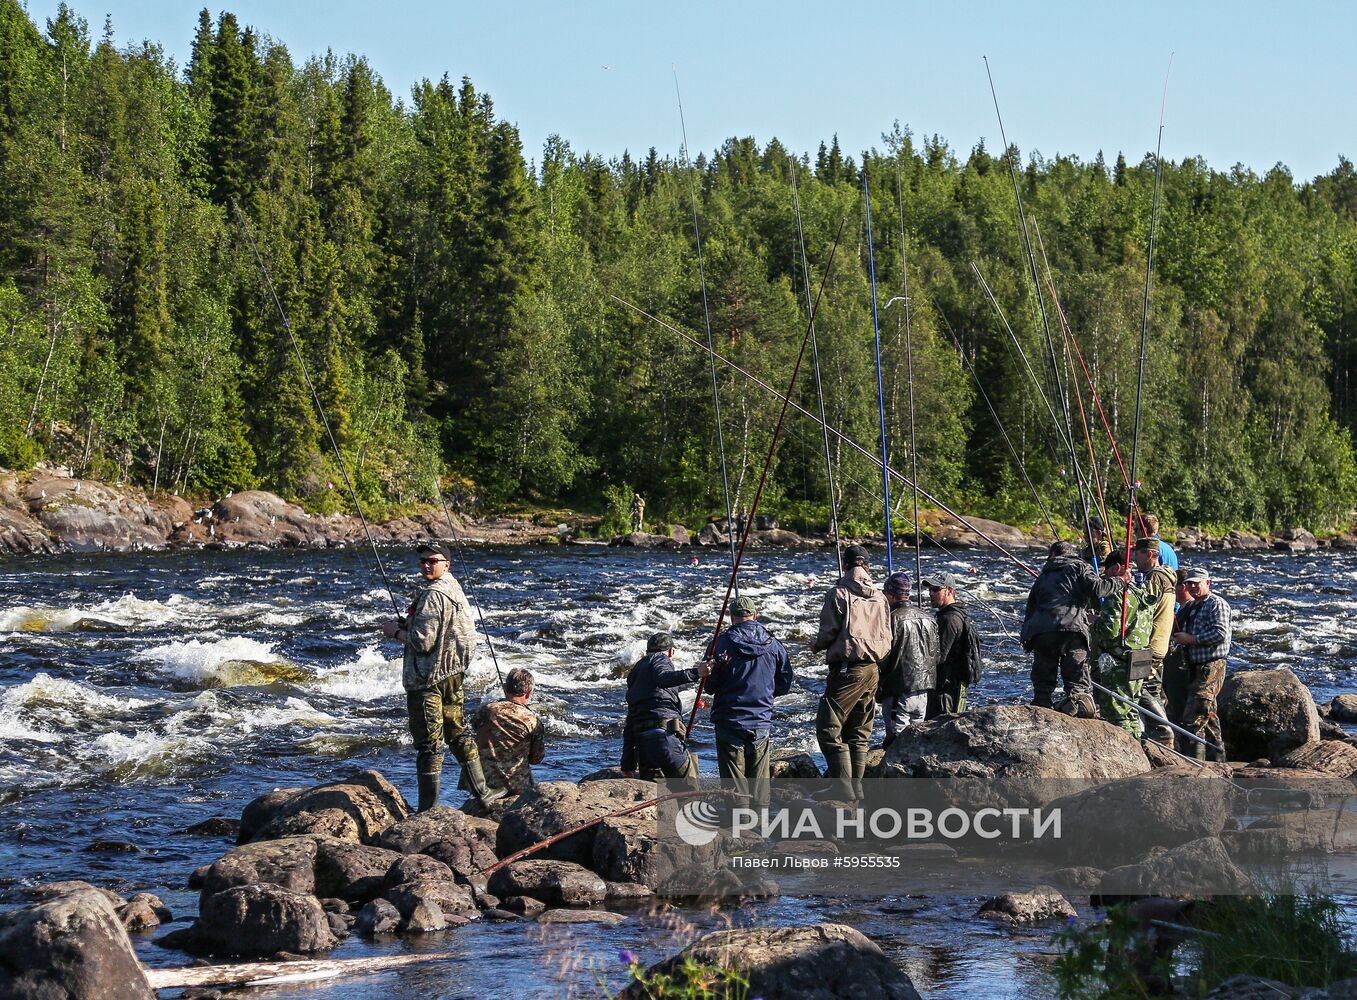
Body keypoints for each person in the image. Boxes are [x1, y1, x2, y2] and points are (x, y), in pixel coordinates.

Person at [382, 541, 504, 812]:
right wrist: (411, 623)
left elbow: (422, 642)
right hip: (453, 676)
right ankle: (484, 793)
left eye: (432, 561)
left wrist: (395, 632)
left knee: (429, 746)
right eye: (423, 561)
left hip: (428, 681)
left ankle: (426, 810)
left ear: (446, 564)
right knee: (458, 734)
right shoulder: (455, 589)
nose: (426, 565)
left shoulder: (432, 596)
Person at [812, 544, 892, 801]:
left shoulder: (837, 593)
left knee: (827, 727)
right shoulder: (880, 596)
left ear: (845, 566)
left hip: (847, 670)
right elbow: (888, 637)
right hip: (873, 669)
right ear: (867, 566)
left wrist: (815, 645)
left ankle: (842, 787)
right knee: (859, 730)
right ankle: (856, 788)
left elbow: (828, 633)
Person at [701, 595, 794, 806]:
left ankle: (739, 824)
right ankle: (759, 822)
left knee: (733, 779)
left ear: (731, 617)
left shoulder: (720, 643)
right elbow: (785, 680)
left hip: (729, 719)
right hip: (761, 718)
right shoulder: (774, 644)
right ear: (755, 616)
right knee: (759, 779)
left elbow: (710, 686)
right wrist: (767, 694)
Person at [1021, 540, 1128, 716]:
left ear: (1053, 555)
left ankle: (1041, 709)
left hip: (1041, 633)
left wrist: (1027, 638)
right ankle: (1079, 710)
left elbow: (1030, 608)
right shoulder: (1080, 567)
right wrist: (1121, 580)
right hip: (1072, 630)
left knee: (1043, 683)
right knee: (1077, 682)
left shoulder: (1042, 576)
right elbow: (1098, 589)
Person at [1087, 550, 1153, 737]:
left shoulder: (1117, 595)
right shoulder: (1141, 591)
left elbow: (1109, 630)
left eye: (1106, 572)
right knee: (1131, 710)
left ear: (1116, 568)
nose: (1104, 577)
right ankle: (1137, 745)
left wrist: (1094, 621)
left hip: (1119, 662)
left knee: (1117, 714)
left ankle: (1128, 758)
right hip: (1140, 658)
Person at [621, 632, 699, 787]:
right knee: (690, 793)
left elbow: (630, 724)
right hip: (665, 739)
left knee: (656, 800)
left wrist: (627, 764)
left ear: (647, 651)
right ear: (670, 652)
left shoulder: (636, 673)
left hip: (643, 747)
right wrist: (697, 673)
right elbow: (663, 677)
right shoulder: (660, 659)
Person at [1168, 567, 1231, 761]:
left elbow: (1220, 634)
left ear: (1208, 583)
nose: (1193, 587)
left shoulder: (1216, 604)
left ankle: (1195, 766)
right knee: (1209, 718)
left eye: (1197, 583)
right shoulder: (1190, 606)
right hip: (1194, 667)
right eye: (1190, 584)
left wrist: (1191, 639)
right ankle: (1219, 763)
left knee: (1193, 719)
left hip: (1211, 667)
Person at [877, 572, 939, 742]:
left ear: (890, 594)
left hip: (899, 689)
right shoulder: (929, 618)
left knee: (896, 741)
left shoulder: (890, 619)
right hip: (924, 690)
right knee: (916, 740)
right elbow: (936, 655)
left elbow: (883, 657)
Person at [467, 667, 545, 799]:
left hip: (482, 784)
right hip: (515, 786)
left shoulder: (484, 710)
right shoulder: (533, 721)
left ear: (505, 688)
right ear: (529, 692)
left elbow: (473, 729)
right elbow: (536, 759)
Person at [1131, 536, 1178, 743]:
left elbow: (1142, 610)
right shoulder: (1167, 576)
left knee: (1136, 686)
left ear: (1149, 554)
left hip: (1149, 643)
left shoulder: (1155, 578)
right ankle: (1156, 737)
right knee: (1152, 689)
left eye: (1137, 554)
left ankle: (1163, 730)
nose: (1133, 558)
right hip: (1160, 643)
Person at [926, 572, 982, 717]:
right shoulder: (959, 614)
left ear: (950, 591)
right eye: (930, 589)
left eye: (936, 589)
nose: (931, 593)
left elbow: (939, 657)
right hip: (956, 687)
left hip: (945, 689)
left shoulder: (949, 619)